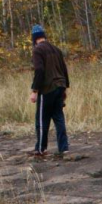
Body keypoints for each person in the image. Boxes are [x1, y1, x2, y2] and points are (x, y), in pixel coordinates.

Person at [30, 24, 70, 157]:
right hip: (60, 86)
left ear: (34, 38)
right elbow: (64, 69)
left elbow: (39, 70)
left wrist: (35, 90)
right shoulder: (56, 49)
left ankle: (41, 149)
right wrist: (65, 88)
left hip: (47, 89)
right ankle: (64, 148)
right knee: (59, 118)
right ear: (44, 36)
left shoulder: (37, 50)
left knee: (41, 120)